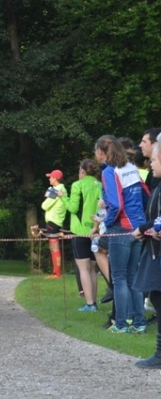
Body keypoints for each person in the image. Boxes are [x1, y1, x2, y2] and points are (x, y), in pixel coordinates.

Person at [96, 134, 149, 333]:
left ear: (101, 152)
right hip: (138, 228)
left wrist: (107, 222)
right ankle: (139, 323)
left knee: (119, 278)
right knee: (133, 276)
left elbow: (116, 204)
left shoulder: (109, 171)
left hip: (121, 228)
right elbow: (146, 196)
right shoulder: (131, 167)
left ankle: (120, 324)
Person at [58, 159, 102, 311]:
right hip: (96, 230)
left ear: (82, 171)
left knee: (84, 269)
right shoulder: (100, 185)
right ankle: (93, 301)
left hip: (80, 231)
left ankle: (90, 304)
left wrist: (63, 197)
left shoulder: (78, 185)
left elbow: (73, 208)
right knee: (93, 269)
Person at [133, 134, 161, 367]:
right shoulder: (158, 187)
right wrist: (147, 229)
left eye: (154, 161)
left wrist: (144, 228)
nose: (151, 165)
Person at [40, 169, 67, 279]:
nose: (49, 179)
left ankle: (57, 273)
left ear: (55, 178)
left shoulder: (56, 190)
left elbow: (44, 206)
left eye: (50, 177)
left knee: (54, 247)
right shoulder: (61, 189)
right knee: (53, 247)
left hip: (53, 221)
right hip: (56, 221)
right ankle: (55, 272)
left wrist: (48, 196)